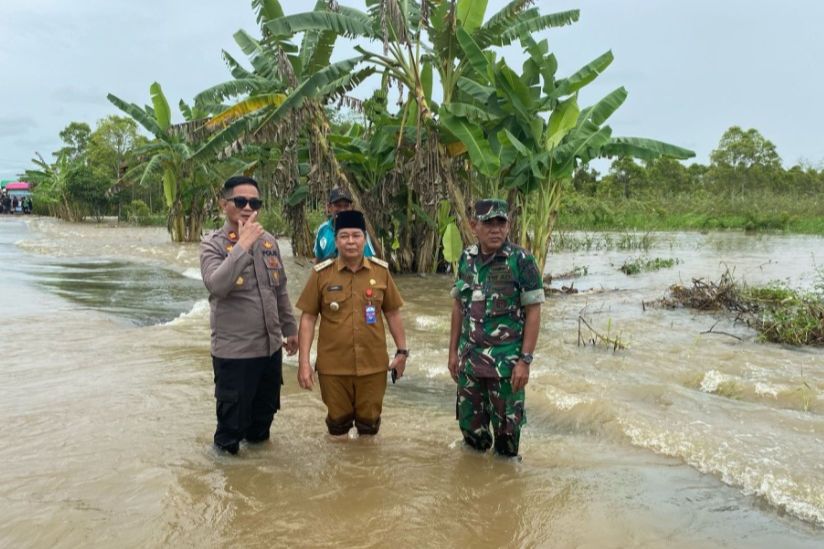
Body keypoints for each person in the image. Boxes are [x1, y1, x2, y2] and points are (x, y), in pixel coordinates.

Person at [200, 175, 298, 455]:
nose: (247, 207)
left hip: (268, 350)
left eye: (254, 202)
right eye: (240, 201)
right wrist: (242, 245)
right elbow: (217, 286)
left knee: (262, 425)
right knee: (230, 432)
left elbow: (279, 289)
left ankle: (258, 484)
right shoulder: (212, 244)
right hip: (234, 354)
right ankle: (229, 488)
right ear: (223, 204)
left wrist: (290, 329)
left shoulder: (268, 242)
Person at [296, 209, 408, 437]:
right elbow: (308, 318)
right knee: (337, 427)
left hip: (373, 366)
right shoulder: (321, 275)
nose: (350, 241)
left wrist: (402, 352)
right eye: (344, 236)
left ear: (364, 238)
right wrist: (304, 362)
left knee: (370, 426)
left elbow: (393, 313)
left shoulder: (381, 272)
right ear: (336, 241)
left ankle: (365, 471)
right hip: (333, 368)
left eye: (356, 235)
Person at [447, 199, 545, 458]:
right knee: (472, 439)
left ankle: (506, 492)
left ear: (508, 225)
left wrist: (525, 360)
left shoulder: (521, 261)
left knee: (507, 445)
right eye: (488, 223)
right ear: (473, 226)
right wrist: (452, 353)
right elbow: (458, 305)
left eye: (500, 223)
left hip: (506, 368)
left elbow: (534, 311)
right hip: (470, 365)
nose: (495, 229)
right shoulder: (466, 258)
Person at [313, 187, 375, 262]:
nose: (342, 210)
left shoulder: (359, 231)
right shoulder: (323, 230)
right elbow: (319, 261)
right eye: (338, 205)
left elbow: (369, 261)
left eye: (346, 206)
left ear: (351, 207)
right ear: (329, 207)